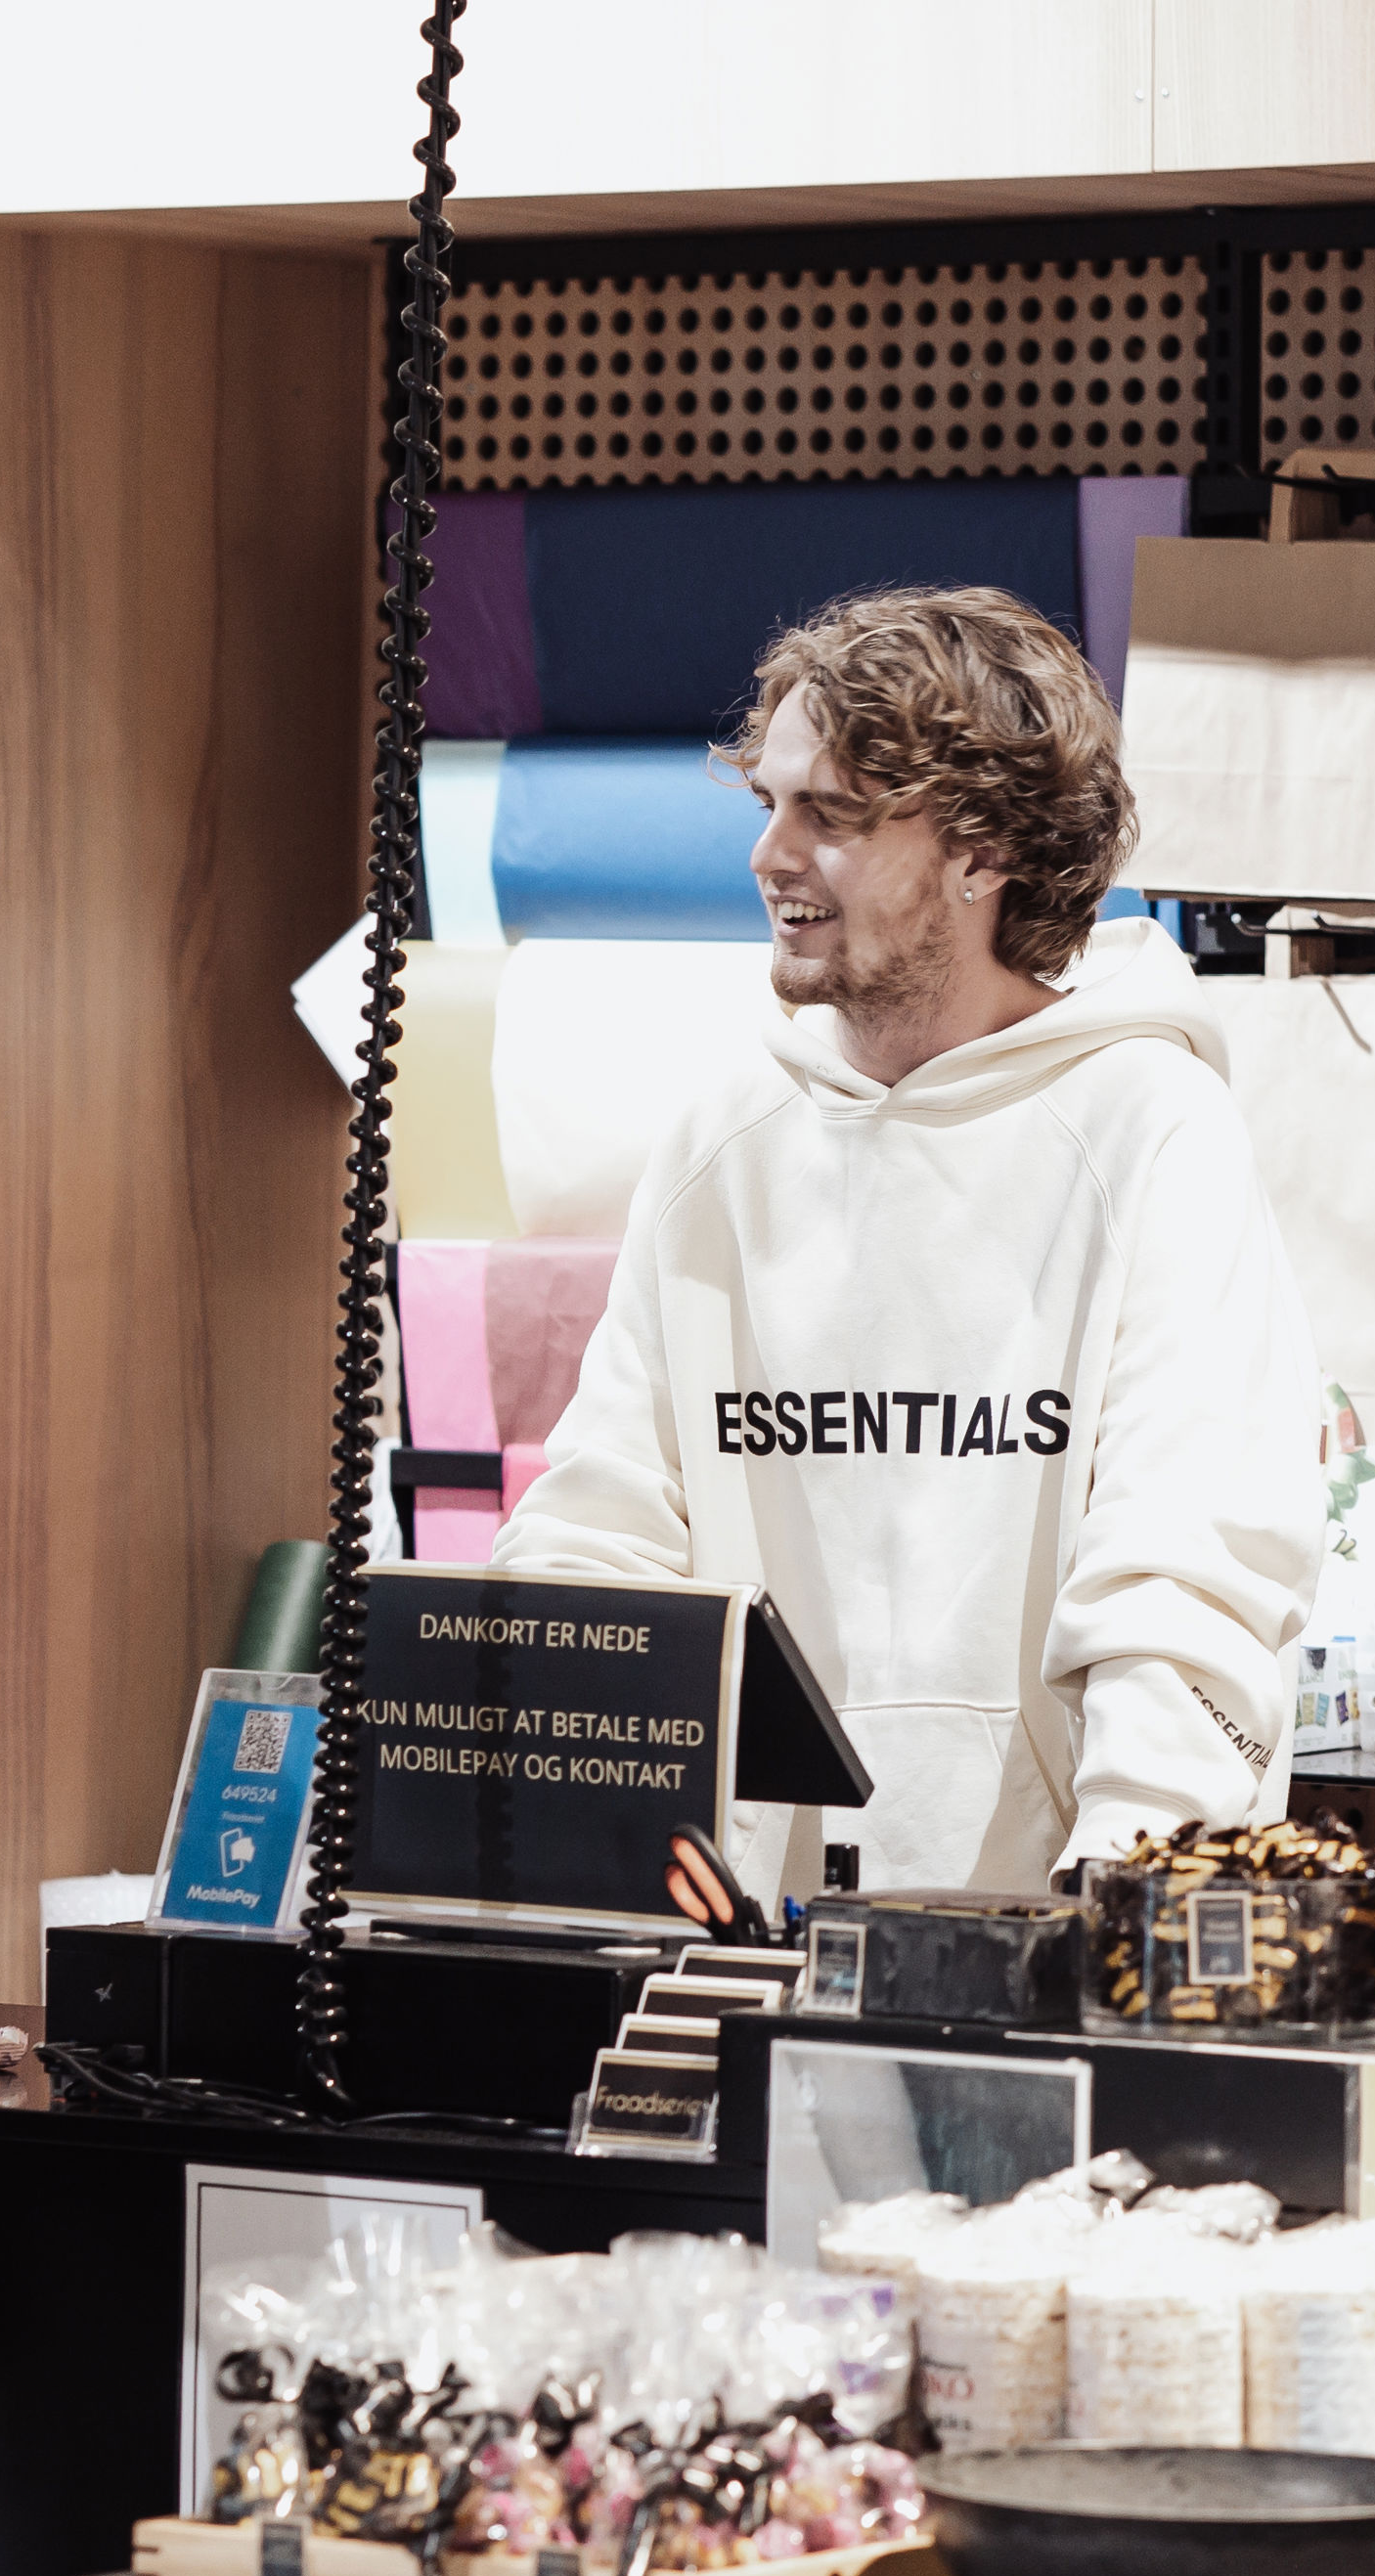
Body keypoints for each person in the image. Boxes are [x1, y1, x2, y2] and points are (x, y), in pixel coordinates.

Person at [497, 583, 1323, 1894]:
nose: (769, 854)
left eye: (829, 813)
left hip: (1054, 1930)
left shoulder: (1151, 1126)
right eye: (768, 802)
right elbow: (605, 1526)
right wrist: (559, 1839)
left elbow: (1190, 1570)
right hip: (738, 1931)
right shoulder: (722, 1137)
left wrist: (1122, 1894)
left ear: (981, 851)